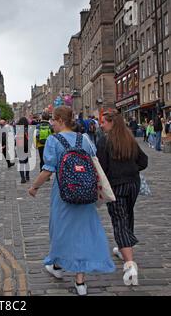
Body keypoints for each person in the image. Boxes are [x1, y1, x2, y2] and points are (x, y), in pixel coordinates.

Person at [28, 106, 115, 296]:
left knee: (60, 231)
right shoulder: (83, 138)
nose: (51, 123)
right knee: (82, 234)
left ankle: (57, 266)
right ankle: (80, 282)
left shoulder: (53, 140)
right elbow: (94, 160)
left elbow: (48, 169)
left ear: (60, 120)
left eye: (52, 120)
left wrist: (34, 187)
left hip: (64, 194)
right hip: (85, 193)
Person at [97, 110, 148, 286]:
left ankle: (130, 265)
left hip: (116, 186)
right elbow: (144, 161)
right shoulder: (130, 139)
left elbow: (101, 168)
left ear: (112, 123)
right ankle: (122, 248)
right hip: (132, 184)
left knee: (119, 221)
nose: (101, 125)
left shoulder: (104, 141)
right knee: (127, 216)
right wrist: (130, 170)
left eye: (103, 122)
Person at [16, 117, 31, 184]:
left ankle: (22, 178)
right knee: (27, 162)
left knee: (21, 163)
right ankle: (27, 176)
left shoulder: (18, 129)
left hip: (20, 147)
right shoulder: (29, 129)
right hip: (27, 147)